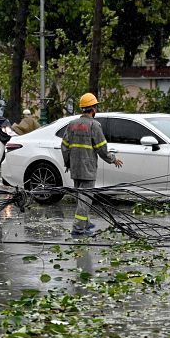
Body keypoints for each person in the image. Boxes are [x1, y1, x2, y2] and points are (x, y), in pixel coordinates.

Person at [61, 92, 122, 237]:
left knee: (80, 197)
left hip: (75, 167)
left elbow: (64, 145)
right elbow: (101, 148)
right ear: (93, 108)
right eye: (96, 107)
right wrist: (113, 159)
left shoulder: (72, 124)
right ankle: (78, 229)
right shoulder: (94, 125)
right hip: (87, 168)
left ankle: (85, 223)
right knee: (85, 198)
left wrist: (68, 162)